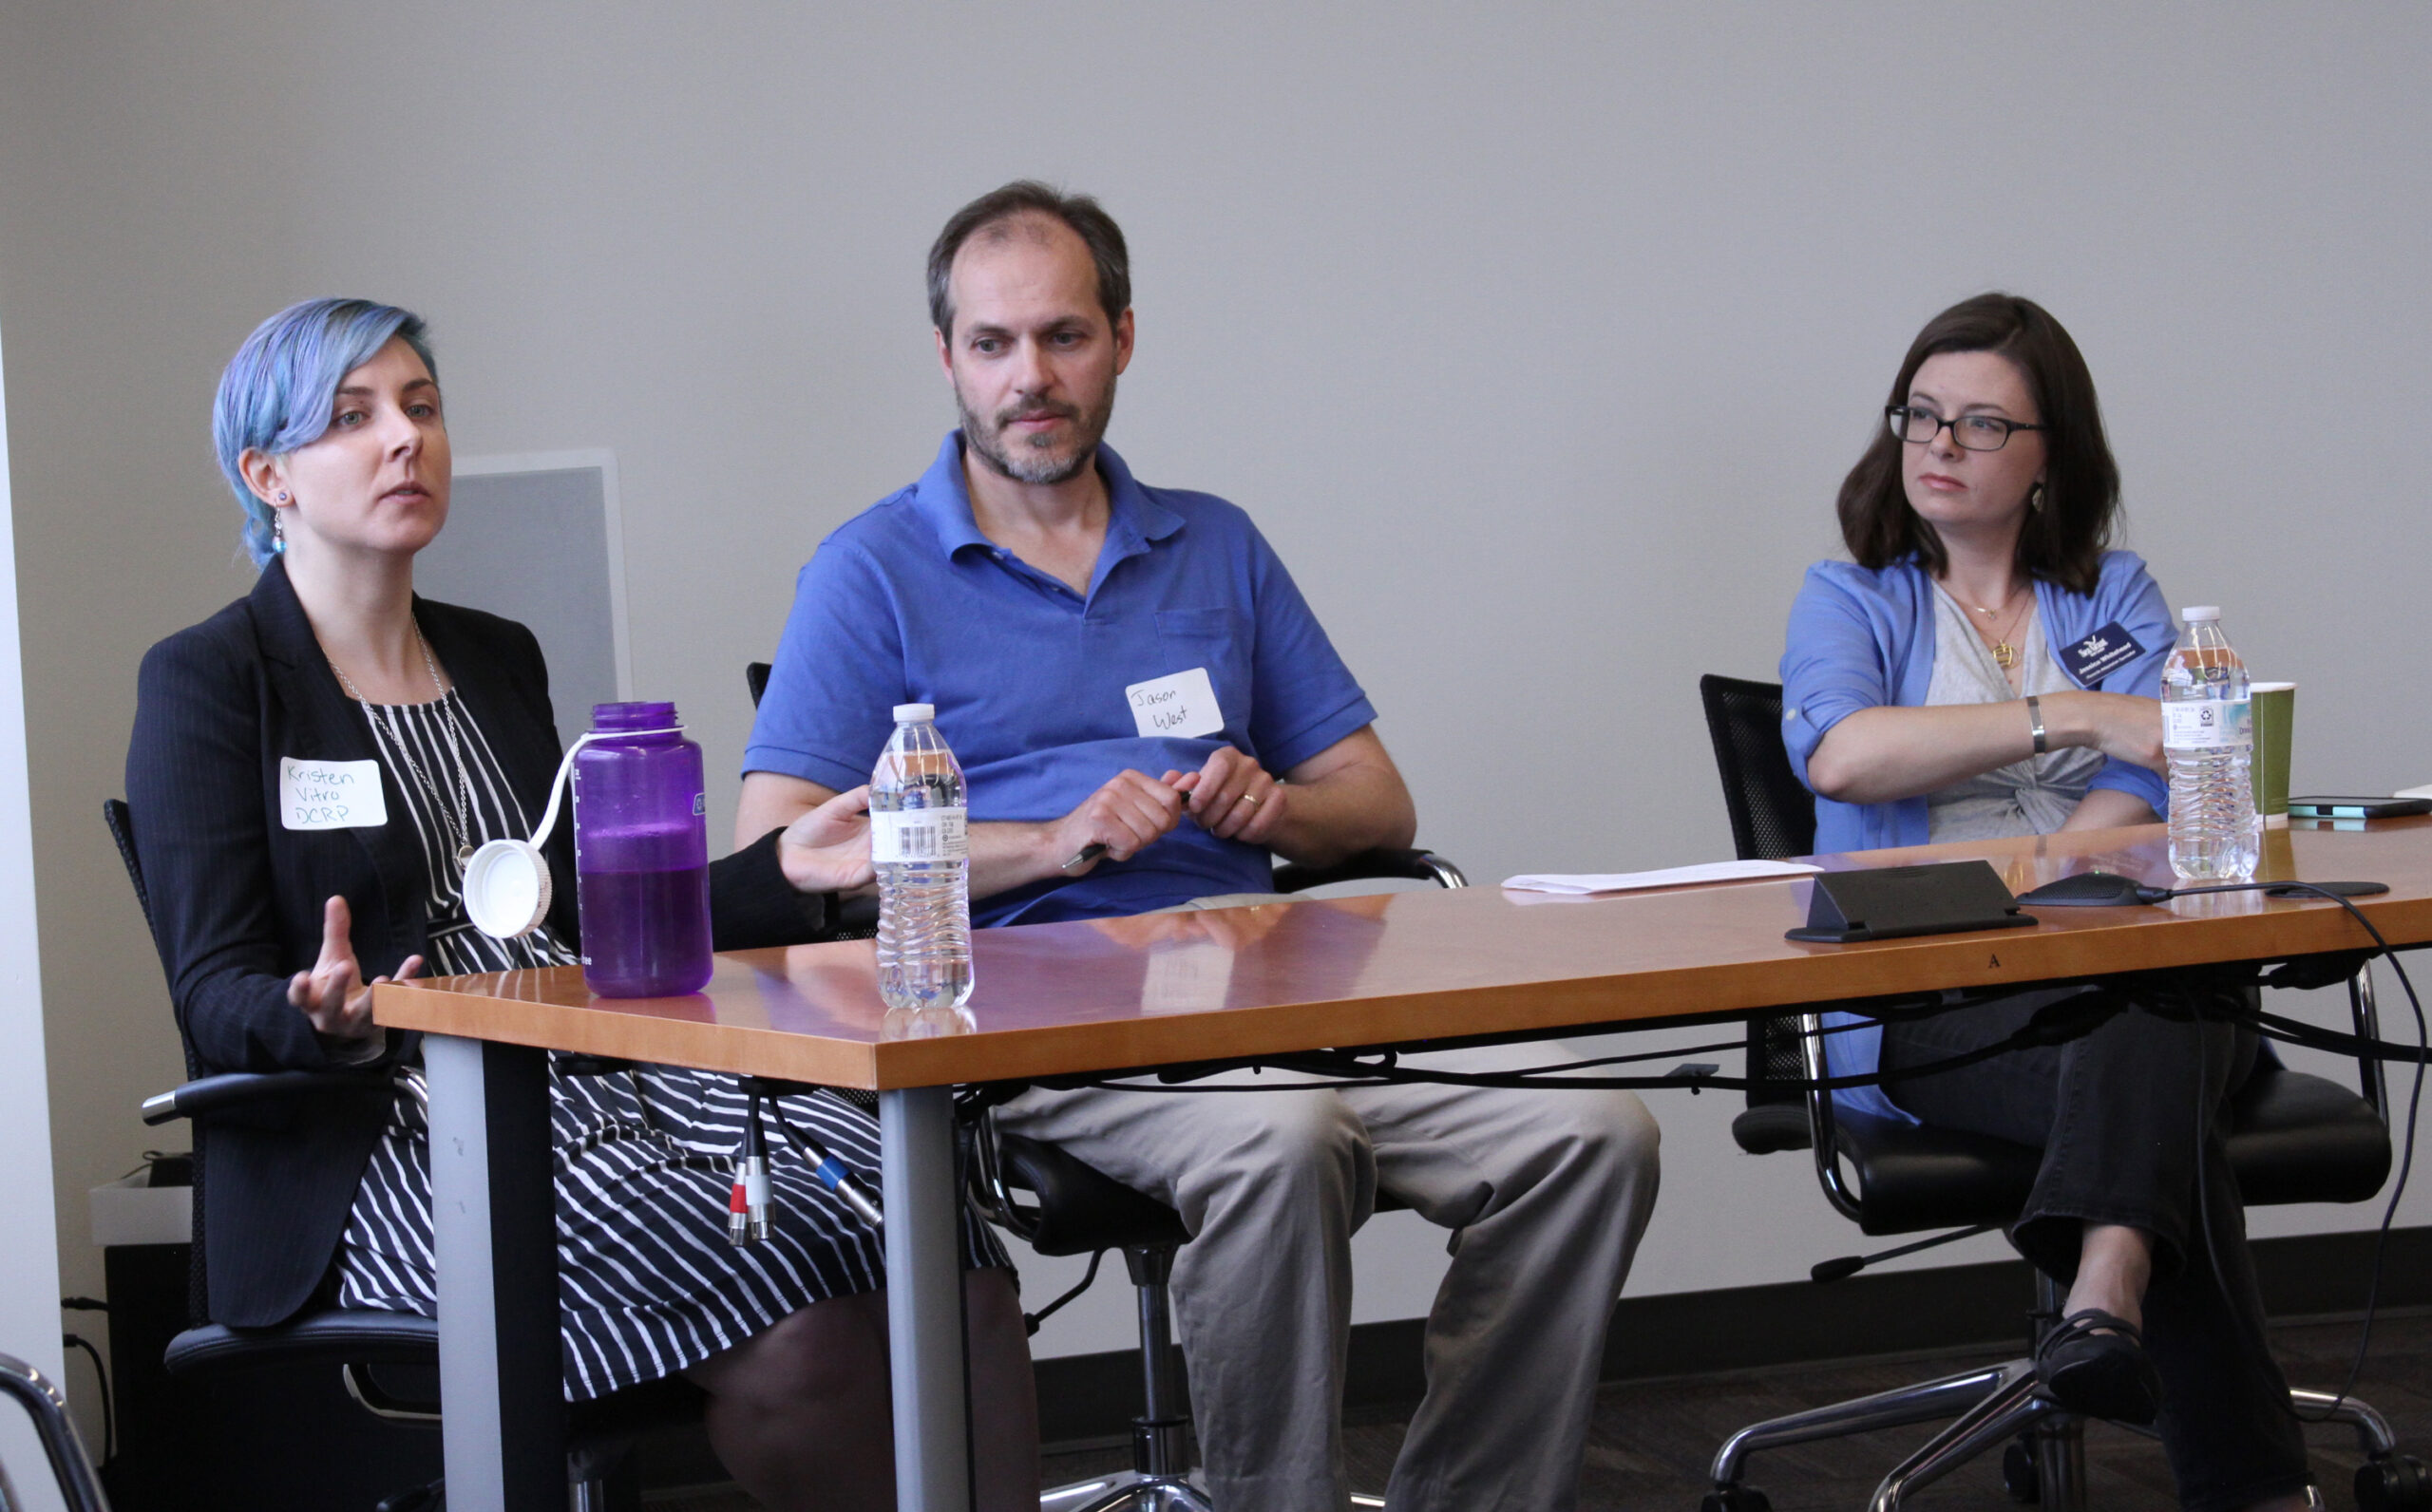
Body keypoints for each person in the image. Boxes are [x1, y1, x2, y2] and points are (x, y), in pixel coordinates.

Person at [739, 182, 1661, 1512]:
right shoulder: (870, 570)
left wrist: (1272, 811)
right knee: (1281, 1141)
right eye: (992, 345)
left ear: (1122, 337)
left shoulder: (1212, 542)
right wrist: (1048, 844)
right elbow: (779, 852)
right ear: (947, 359)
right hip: (1036, 1014)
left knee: (1598, 1132)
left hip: (1274, 979)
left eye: (1063, 336)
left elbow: (1377, 808)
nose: (1030, 378)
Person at [125, 298, 1037, 1512]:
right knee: (804, 1314)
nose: (405, 438)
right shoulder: (209, 679)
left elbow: (588, 930)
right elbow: (215, 988)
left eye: (422, 406)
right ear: (269, 474)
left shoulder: (497, 654)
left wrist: (788, 872)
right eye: (353, 419)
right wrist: (330, 1014)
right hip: (398, 1132)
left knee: (943, 1251)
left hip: (601, 1070)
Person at [1779, 292, 2311, 1512]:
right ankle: (2252, 1484)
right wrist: (2067, 713)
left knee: (2154, 992)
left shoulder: (2111, 593)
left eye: (1977, 423)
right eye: (1919, 414)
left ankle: (2101, 1295)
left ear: (2046, 459)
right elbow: (1846, 755)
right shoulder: (1849, 597)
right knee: (2165, 1063)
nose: (1937, 444)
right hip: (1933, 995)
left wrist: (2053, 881)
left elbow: (2164, 771)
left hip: (2113, 953)